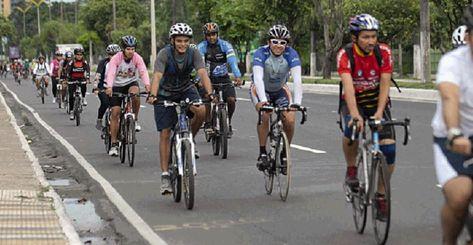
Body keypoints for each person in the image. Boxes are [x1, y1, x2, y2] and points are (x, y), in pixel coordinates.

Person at [337, 14, 395, 221]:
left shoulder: (384, 52)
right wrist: (355, 115)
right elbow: (349, 88)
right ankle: (352, 169)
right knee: (353, 129)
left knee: (389, 149)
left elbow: (385, 84)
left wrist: (379, 113)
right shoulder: (345, 55)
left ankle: (380, 196)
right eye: (366, 37)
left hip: (377, 101)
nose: (371, 41)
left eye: (374, 36)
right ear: (355, 38)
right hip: (355, 101)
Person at [147, 23, 212, 195]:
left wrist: (210, 93)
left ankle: (190, 137)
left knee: (201, 111)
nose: (182, 44)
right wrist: (153, 95)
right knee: (165, 133)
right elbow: (157, 76)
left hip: (185, 89)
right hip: (164, 93)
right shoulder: (164, 54)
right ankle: (165, 175)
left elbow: (203, 73)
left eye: (185, 41)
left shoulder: (194, 53)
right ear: (172, 41)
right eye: (179, 41)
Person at [433, 4, 473, 245]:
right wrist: (455, 133)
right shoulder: (453, 62)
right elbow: (450, 98)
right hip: (453, 140)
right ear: (468, 36)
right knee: (460, 197)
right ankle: (449, 241)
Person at [250, 24, 303, 173]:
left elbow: (298, 80)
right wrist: (263, 101)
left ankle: (285, 153)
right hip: (261, 89)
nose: (278, 46)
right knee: (265, 114)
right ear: (269, 42)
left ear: (286, 45)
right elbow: (258, 79)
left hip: (280, 89)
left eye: (282, 42)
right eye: (275, 41)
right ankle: (262, 152)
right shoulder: (261, 53)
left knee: (290, 119)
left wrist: (297, 104)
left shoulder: (291, 54)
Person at [105, 35, 150, 156]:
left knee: (135, 94)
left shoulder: (137, 58)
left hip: (131, 83)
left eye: (133, 49)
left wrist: (147, 85)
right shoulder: (116, 58)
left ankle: (135, 119)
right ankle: (114, 144)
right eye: (128, 49)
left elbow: (143, 71)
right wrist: (109, 87)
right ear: (123, 49)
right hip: (117, 85)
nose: (131, 51)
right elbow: (111, 73)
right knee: (115, 112)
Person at [197, 22, 243, 137]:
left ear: (217, 34)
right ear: (205, 36)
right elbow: (200, 65)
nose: (212, 37)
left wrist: (237, 76)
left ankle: (228, 122)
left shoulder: (225, 45)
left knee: (231, 100)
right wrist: (200, 80)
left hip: (224, 78)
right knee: (207, 97)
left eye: (214, 34)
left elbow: (232, 62)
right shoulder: (201, 47)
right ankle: (208, 123)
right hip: (208, 79)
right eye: (209, 35)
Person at [94, 44, 121, 130]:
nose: (113, 57)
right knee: (105, 103)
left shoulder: (122, 62)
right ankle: (99, 120)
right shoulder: (104, 62)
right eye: (111, 54)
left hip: (117, 87)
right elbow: (98, 75)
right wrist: (96, 87)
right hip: (104, 87)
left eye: (115, 54)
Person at [66, 48, 90, 120]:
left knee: (84, 85)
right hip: (72, 79)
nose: (79, 56)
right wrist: (67, 79)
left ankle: (83, 98)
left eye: (81, 55)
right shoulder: (71, 62)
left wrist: (88, 78)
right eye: (77, 55)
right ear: (75, 55)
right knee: (71, 96)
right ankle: (71, 111)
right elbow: (68, 71)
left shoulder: (84, 62)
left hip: (81, 78)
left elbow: (87, 70)